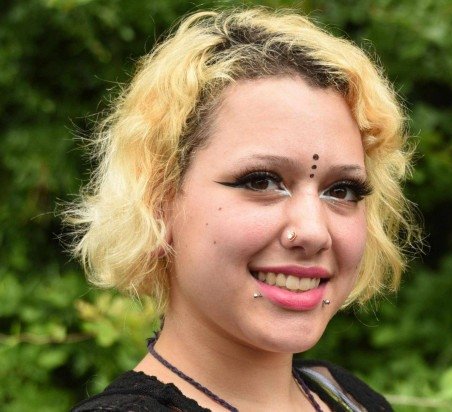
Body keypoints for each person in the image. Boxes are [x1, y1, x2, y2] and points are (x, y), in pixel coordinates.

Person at [68, 7, 415, 412]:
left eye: (342, 190)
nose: (313, 231)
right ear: (158, 200)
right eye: (261, 181)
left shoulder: (347, 396)